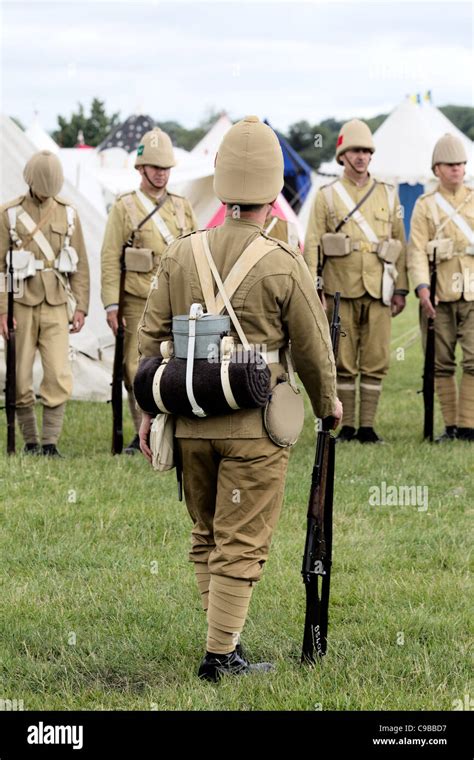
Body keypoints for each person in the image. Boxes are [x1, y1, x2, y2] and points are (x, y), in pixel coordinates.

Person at [137, 116, 342, 681]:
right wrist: (329, 405)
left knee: (206, 535)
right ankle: (221, 656)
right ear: (274, 188)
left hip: (188, 417)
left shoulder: (181, 252)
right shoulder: (283, 260)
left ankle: (222, 640)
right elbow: (312, 348)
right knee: (242, 541)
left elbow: (147, 341)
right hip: (256, 425)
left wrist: (147, 411)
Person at [304, 119, 408, 443]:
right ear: (342, 155)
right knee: (343, 361)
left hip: (379, 288)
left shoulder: (389, 195)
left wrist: (401, 288)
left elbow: (400, 243)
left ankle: (367, 426)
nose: (361, 156)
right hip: (339, 289)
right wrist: (314, 289)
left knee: (376, 359)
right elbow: (313, 244)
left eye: (365, 151)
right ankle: (346, 426)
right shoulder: (327, 196)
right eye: (354, 151)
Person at [101, 127, 197, 453]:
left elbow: (197, 255)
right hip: (137, 301)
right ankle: (142, 430)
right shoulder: (124, 207)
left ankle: (176, 426)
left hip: (178, 301)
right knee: (135, 368)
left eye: (166, 168)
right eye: (155, 167)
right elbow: (110, 258)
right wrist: (111, 305)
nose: (161, 174)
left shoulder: (183, 208)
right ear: (141, 168)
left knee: (180, 364)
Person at [0, 150, 90, 456]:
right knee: (20, 376)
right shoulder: (9, 215)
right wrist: (2, 309)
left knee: (58, 374)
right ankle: (29, 441)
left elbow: (80, 265)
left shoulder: (69, 214)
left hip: (55, 303)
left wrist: (81, 306)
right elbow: (0, 267)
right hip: (21, 304)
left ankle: (50, 442)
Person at [408, 133, 473, 442]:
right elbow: (417, 249)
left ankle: (468, 425)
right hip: (440, 293)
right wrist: (422, 289)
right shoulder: (425, 206)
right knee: (442, 362)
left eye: (461, 164)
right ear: (437, 168)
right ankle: (450, 426)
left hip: (472, 292)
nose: (457, 169)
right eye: (450, 165)